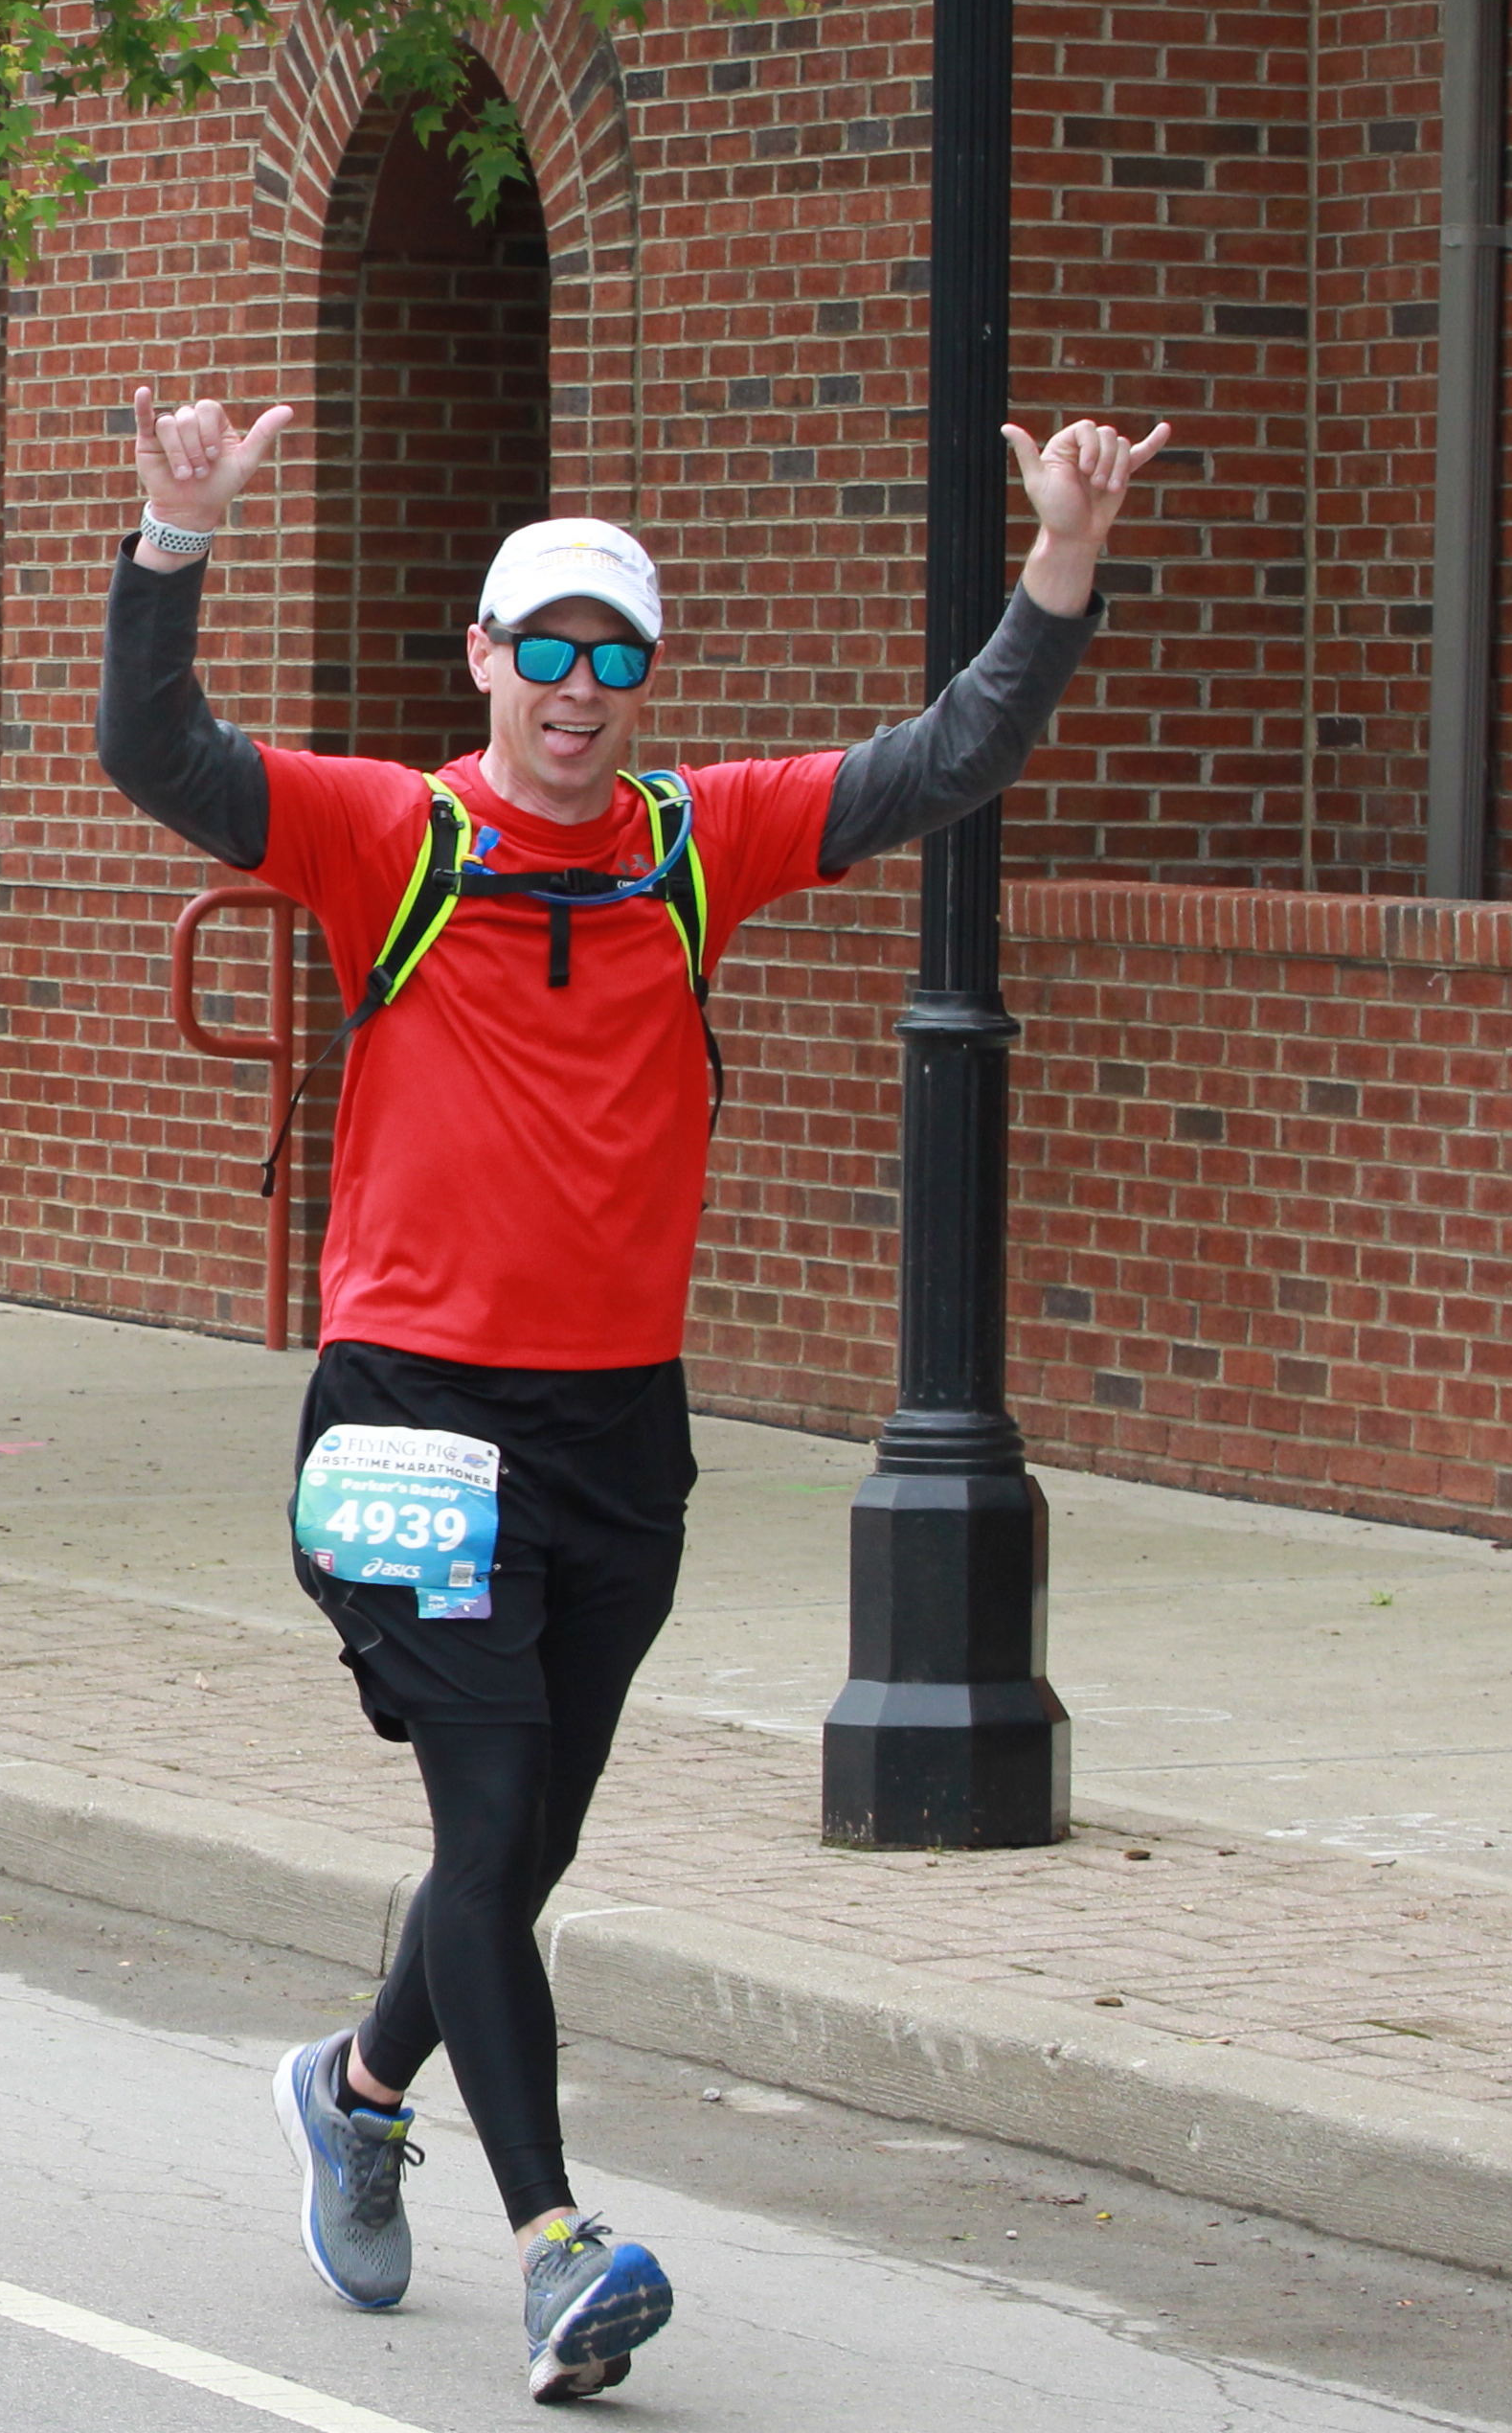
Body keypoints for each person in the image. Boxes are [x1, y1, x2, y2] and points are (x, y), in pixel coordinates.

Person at [95, 390, 1167, 2404]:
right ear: (484, 659)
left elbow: (947, 757)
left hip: (616, 1430)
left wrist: (1061, 564)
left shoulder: (696, 842)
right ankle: (556, 2247)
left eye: (613, 656)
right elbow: (159, 753)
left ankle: (354, 2090)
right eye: (545, 648)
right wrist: (174, 545)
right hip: (413, 1413)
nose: (577, 689)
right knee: (491, 1810)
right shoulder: (388, 833)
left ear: (642, 679)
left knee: (519, 1850)